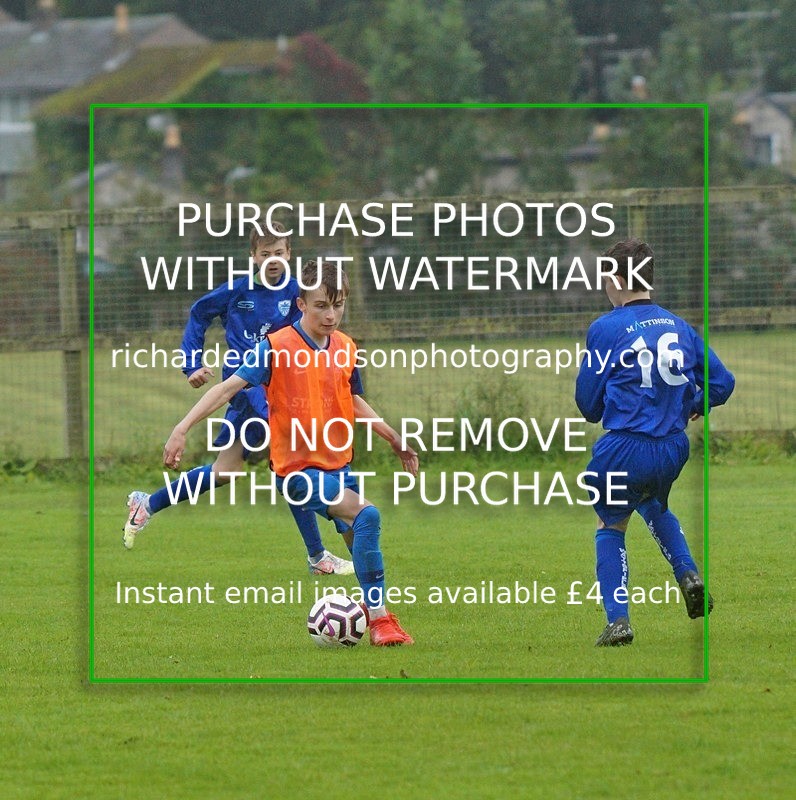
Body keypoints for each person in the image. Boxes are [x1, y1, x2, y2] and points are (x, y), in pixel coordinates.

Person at [163, 260, 417, 646]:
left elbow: (351, 399)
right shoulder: (276, 347)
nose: (331, 314)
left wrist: (392, 436)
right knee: (368, 515)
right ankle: (381, 620)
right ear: (300, 304)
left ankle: (371, 610)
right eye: (321, 305)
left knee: (357, 536)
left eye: (338, 304)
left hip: (338, 463)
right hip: (297, 472)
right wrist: (182, 428)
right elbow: (226, 389)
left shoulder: (346, 348)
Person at [123, 222, 354, 576]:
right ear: (253, 256)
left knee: (225, 471)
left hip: (277, 389)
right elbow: (198, 314)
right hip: (249, 391)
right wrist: (192, 365)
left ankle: (148, 503)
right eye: (265, 254)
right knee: (291, 462)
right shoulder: (236, 291)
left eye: (279, 253)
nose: (273, 260)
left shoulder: (302, 293)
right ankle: (318, 555)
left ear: (289, 253)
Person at [575, 238, 735, 646]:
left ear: (618, 278)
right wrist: (692, 406)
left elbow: (588, 405)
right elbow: (722, 383)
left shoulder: (606, 328)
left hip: (626, 445)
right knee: (652, 502)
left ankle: (618, 622)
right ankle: (688, 573)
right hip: (672, 447)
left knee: (610, 524)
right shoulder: (679, 325)